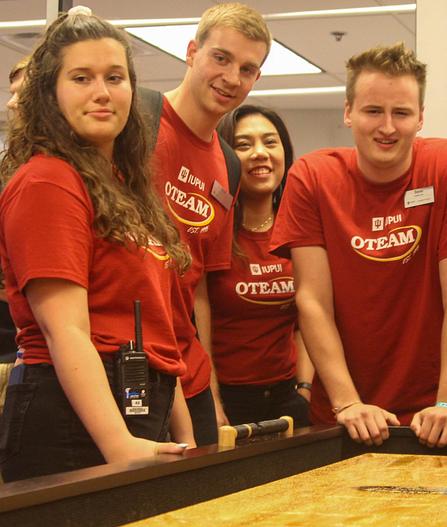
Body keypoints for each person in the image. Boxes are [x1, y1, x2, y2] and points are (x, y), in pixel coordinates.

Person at [270, 42, 447, 448]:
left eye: (401, 113)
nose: (387, 127)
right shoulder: (311, 176)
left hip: (439, 412)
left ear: (420, 118)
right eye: (373, 111)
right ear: (348, 113)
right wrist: (347, 403)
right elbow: (312, 300)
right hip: (344, 413)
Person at [0, 9, 194, 482]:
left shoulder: (122, 186)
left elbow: (157, 331)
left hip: (137, 402)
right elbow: (66, 331)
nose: (102, 92)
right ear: (50, 93)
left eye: (115, 77)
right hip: (70, 420)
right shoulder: (49, 180)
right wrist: (117, 442)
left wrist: (181, 430)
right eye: (81, 78)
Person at [148, 3, 271, 445]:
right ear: (191, 51)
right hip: (126, 359)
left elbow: (198, 284)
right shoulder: (137, 120)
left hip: (189, 373)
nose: (232, 77)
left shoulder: (229, 168)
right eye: (221, 58)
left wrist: (211, 390)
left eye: (247, 68)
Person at [207, 105, 313, 428]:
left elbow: (309, 318)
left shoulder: (301, 227)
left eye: (270, 142)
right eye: (243, 145)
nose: (259, 154)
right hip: (226, 401)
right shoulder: (210, 227)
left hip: (288, 398)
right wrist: (211, 401)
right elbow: (196, 329)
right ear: (224, 154)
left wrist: (304, 390)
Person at [0, 56, 29, 485]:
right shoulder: (5, 174)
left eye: (26, 92)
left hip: (29, 351)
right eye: (12, 92)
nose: (15, 103)